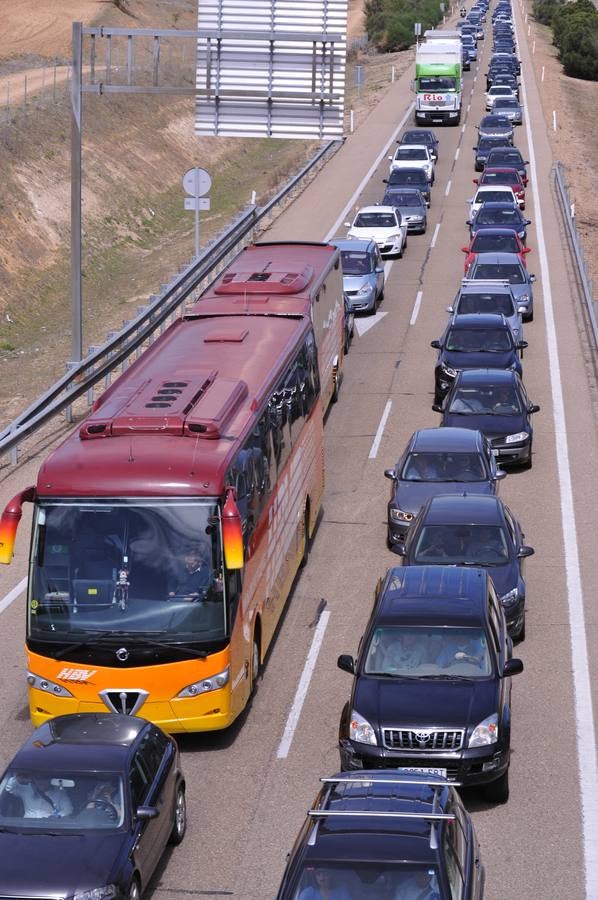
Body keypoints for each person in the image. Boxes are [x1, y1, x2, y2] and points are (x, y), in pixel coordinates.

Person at [5, 772, 73, 819]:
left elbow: (68, 810)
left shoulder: (59, 792)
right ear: (33, 780)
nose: (41, 781)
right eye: (38, 778)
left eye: (44, 778)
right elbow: (9, 789)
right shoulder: (27, 789)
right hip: (26, 826)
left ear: (50, 780)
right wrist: (17, 778)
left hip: (48, 827)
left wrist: (56, 817)